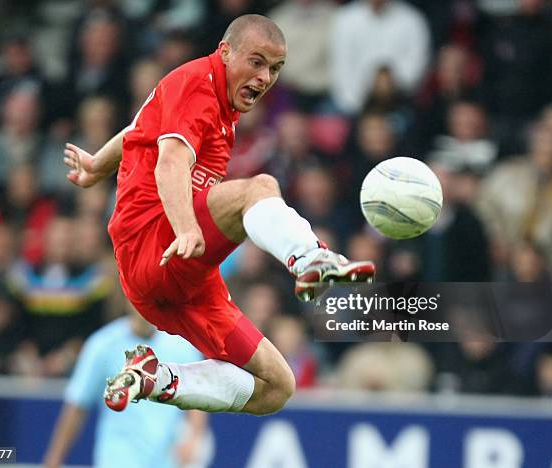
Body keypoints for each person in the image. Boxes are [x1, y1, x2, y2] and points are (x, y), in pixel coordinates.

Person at [63, 14, 375, 417]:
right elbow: (170, 162)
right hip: (154, 242)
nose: (265, 78)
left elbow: (139, 129)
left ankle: (155, 379)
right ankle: (311, 258)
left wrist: (96, 167)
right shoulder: (198, 84)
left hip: (176, 281)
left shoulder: (211, 101)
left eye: (276, 69)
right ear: (225, 52)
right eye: (257, 62)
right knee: (258, 189)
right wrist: (186, 227)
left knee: (276, 387)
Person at [43, 304, 209, 468]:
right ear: (128, 297)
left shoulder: (182, 346)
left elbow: (196, 396)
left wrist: (194, 437)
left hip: (167, 461)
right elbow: (77, 407)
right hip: (117, 459)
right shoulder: (102, 345)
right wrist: (53, 461)